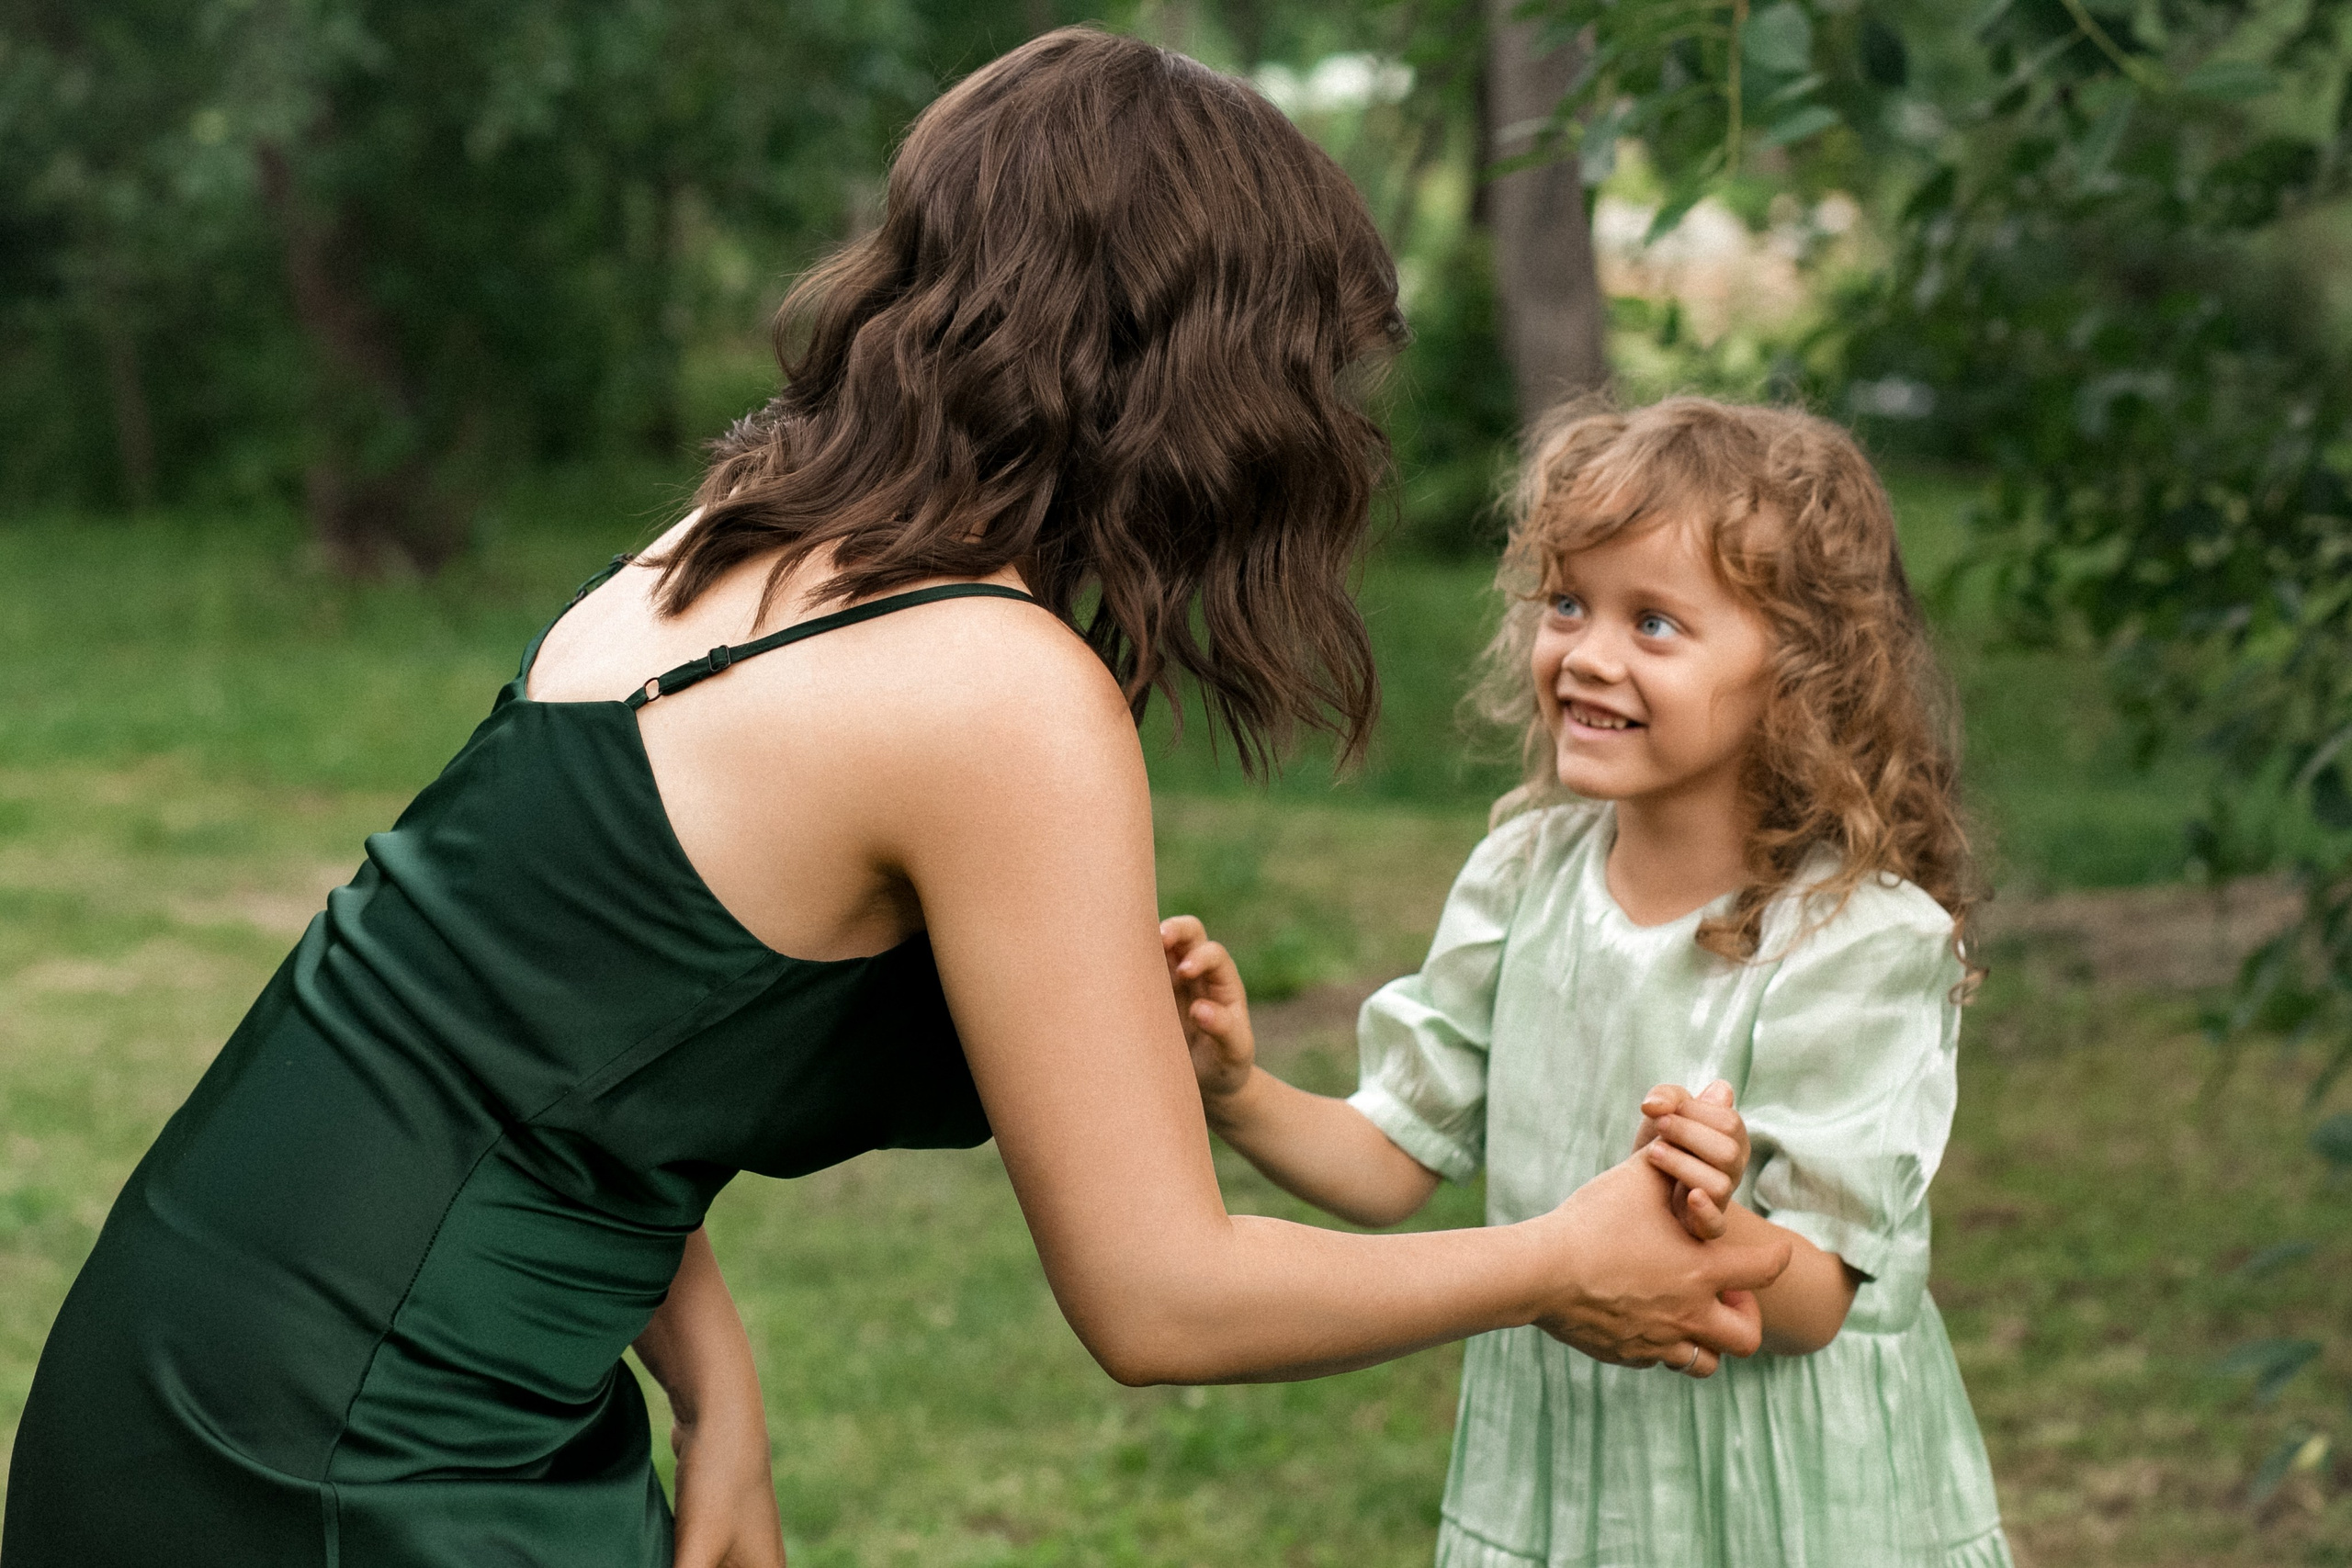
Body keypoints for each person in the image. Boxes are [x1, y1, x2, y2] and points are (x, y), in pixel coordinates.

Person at [0, 35, 1787, 1568]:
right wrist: (1556, 1260)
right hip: (352, 1457)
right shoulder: (997, 689)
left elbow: (536, 1048)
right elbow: (1160, 1297)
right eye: (1302, 377)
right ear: (1191, 377)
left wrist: (720, 1391)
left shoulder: (729, 545)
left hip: (182, 1368)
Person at [1164, 397, 2014, 1567]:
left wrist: (1708, 1217)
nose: (1586, 653)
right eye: (1567, 603)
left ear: (1797, 672)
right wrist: (1236, 1090)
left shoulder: (1856, 940)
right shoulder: (1522, 878)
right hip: (1556, 1488)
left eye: (1653, 621)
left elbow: (1819, 1300)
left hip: (1780, 1511)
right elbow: (1390, 1160)